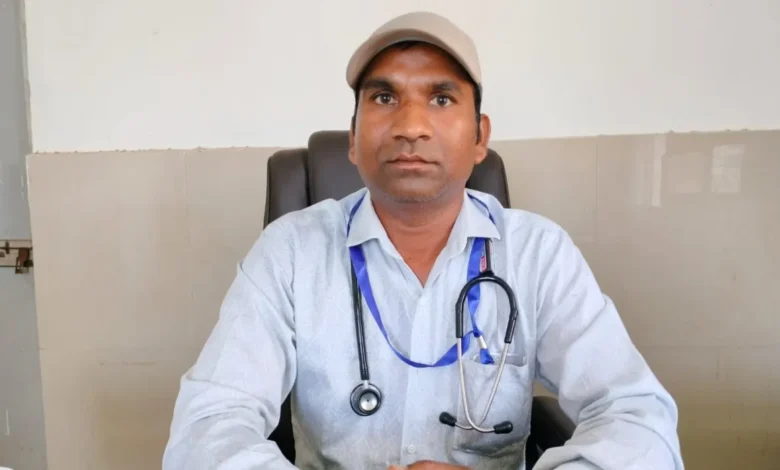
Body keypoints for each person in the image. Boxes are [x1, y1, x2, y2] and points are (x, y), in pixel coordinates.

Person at [162, 11, 683, 470]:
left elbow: (636, 416)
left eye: (441, 98)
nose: (411, 126)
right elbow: (208, 424)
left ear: (480, 137)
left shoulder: (538, 254)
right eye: (384, 97)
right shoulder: (290, 253)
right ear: (353, 138)